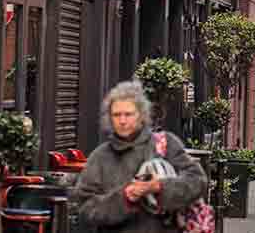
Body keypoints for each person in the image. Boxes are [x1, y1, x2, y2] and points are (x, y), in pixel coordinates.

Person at [74, 81, 209, 233]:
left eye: (128, 114)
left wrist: (160, 187)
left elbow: (198, 181)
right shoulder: (100, 157)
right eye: (117, 115)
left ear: (141, 115)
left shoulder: (166, 144)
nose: (123, 121)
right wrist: (124, 198)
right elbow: (85, 207)